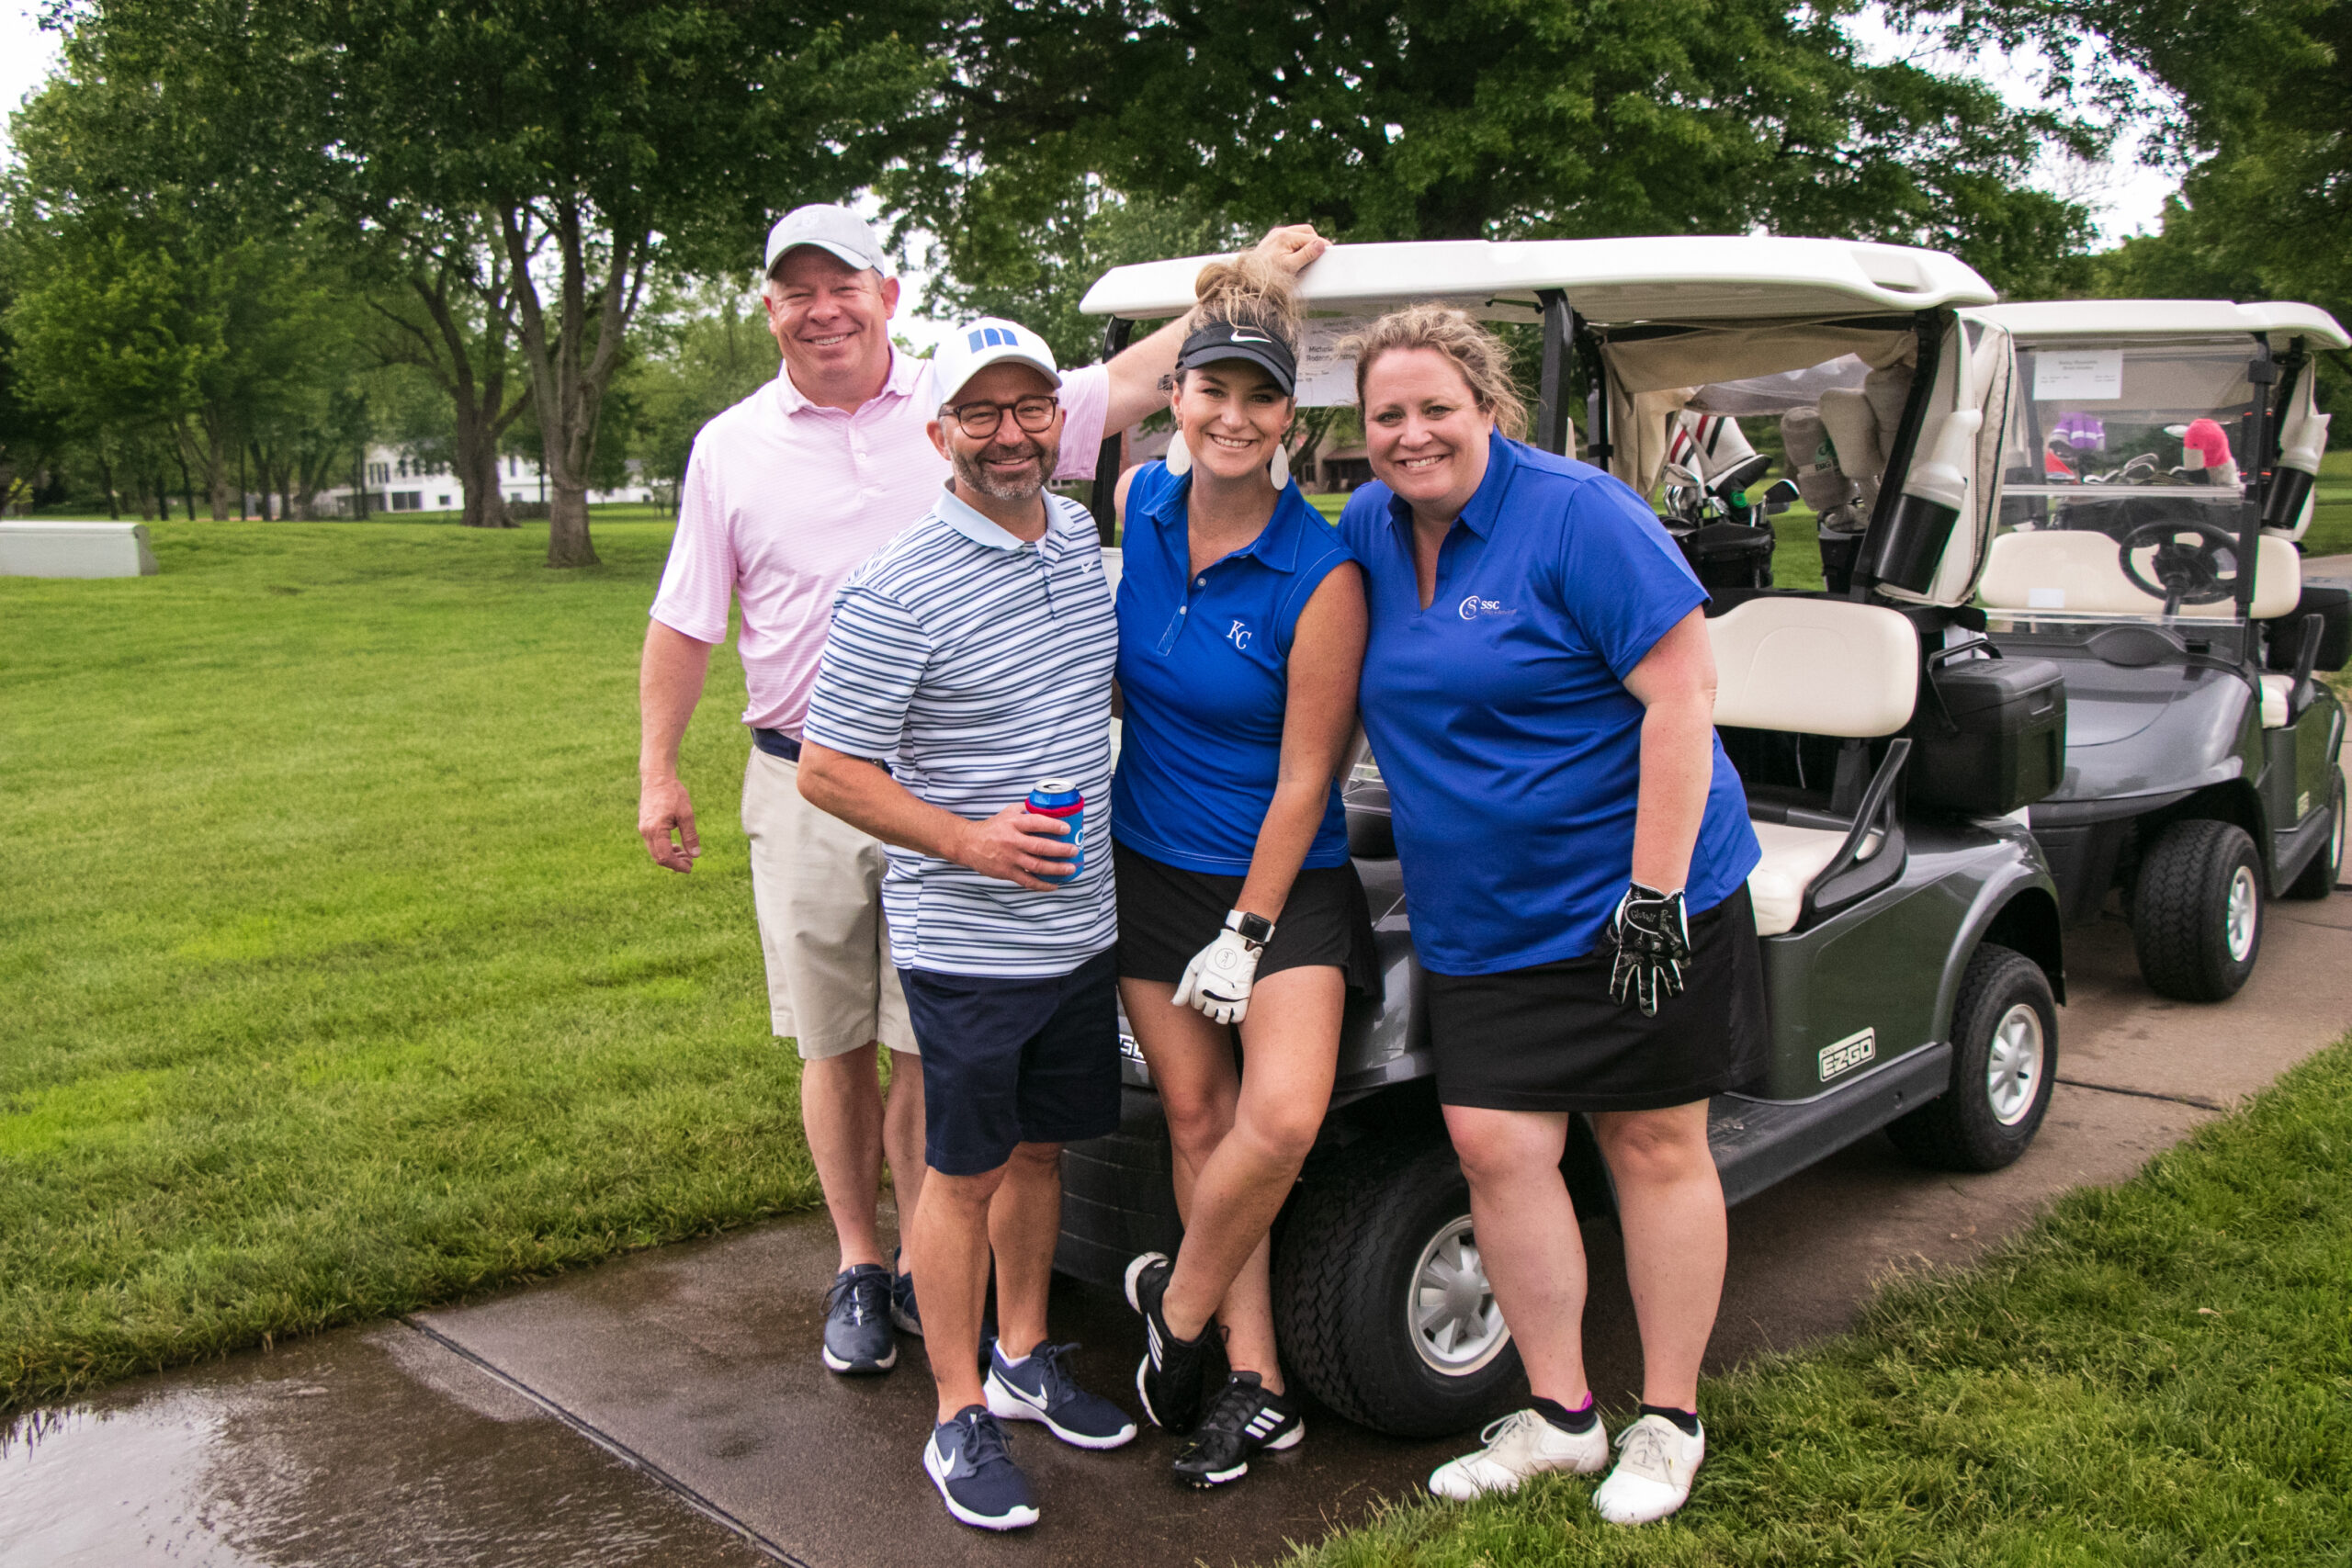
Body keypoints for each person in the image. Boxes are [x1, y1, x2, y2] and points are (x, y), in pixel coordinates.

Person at [637, 204, 1328, 1382]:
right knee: (833, 1040)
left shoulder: (987, 415)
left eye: (842, 285)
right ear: (770, 307)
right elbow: (686, 614)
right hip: (809, 771)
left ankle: (937, 1274)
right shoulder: (733, 445)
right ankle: (864, 1262)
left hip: (985, 793)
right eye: (797, 290)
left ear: (885, 295)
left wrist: (1250, 279)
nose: (822, 309)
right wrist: (659, 767)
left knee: (932, 1057)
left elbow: (1166, 378)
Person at [1329, 306, 1764, 1527]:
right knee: (1495, 1146)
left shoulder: (1580, 513)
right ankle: (1563, 1415)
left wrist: (1654, 896)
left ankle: (1668, 1418)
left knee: (1651, 1141)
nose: (1412, 434)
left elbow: (1682, 695)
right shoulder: (1368, 525)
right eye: (1386, 415)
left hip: (1636, 893)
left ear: (1488, 408)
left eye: (1436, 408)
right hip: (1482, 908)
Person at [795, 316, 1141, 1531]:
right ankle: (957, 1412)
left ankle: (1025, 1355)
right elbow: (828, 769)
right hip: (970, 943)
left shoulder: (1078, 538)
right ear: (939, 432)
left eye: (1030, 408)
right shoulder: (895, 586)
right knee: (964, 1172)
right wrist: (969, 840)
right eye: (981, 414)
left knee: (1042, 1154)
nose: (1009, 434)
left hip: (1079, 925)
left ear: (1058, 420)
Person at [1106, 256, 1373, 1490]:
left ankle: (1177, 1312)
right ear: (1178, 400)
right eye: (1211, 389)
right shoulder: (1142, 508)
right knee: (1198, 1118)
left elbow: (1309, 777)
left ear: (1290, 422)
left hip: (1282, 887)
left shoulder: (1321, 573)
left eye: (1260, 397)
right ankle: (1254, 1381)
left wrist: (1249, 929)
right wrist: (1253, 268)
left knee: (1279, 1119)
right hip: (1150, 867)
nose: (1233, 414)